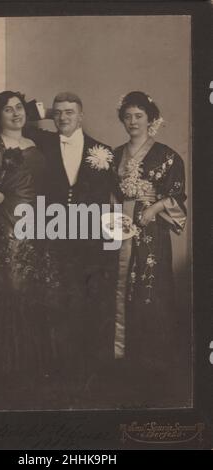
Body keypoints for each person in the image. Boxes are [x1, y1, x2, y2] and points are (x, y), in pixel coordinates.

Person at [0, 91, 60, 388]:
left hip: (38, 224)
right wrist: (3, 198)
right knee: (12, 287)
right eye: (8, 110)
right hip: (9, 226)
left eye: (19, 108)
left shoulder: (34, 142)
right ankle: (7, 371)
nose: (16, 113)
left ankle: (34, 367)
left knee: (34, 287)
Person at [26, 92, 117, 396]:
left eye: (69, 112)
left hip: (90, 240)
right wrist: (34, 110)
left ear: (81, 115)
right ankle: (60, 369)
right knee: (59, 302)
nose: (63, 118)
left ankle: (89, 371)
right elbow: (21, 125)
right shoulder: (44, 142)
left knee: (90, 302)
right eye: (59, 113)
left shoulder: (102, 151)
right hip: (54, 234)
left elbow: (108, 200)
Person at [112, 91, 187, 373]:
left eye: (139, 116)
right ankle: (121, 356)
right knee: (120, 288)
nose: (133, 121)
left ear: (150, 119)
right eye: (128, 116)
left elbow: (177, 198)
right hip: (119, 228)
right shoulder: (115, 155)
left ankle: (153, 359)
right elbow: (108, 194)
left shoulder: (168, 156)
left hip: (150, 230)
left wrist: (153, 208)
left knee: (150, 287)